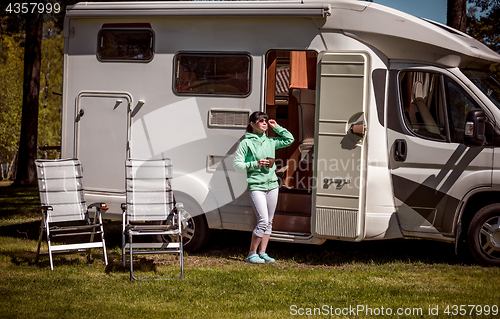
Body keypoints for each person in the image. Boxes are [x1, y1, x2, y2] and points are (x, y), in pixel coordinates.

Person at [233, 111, 294, 263]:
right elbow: (237, 165)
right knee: (263, 220)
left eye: (266, 120)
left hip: (273, 186)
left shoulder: (271, 141)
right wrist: (256, 163)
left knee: (269, 221)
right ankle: (251, 254)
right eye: (261, 120)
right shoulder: (245, 143)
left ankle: (262, 252)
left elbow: (289, 139)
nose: (265, 122)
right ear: (252, 124)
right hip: (256, 187)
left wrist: (277, 127)